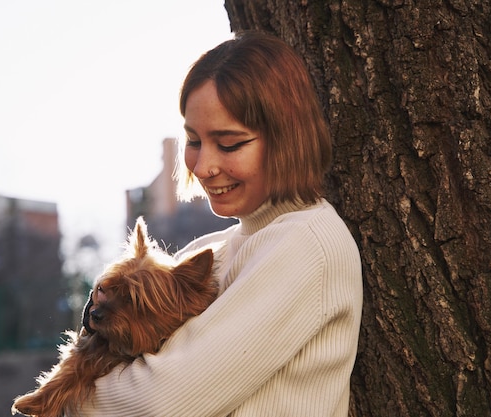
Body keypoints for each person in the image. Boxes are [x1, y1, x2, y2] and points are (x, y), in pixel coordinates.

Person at [79, 31, 363, 417]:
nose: (204, 166)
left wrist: (71, 397)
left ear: (287, 138)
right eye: (193, 141)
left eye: (229, 144)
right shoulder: (213, 249)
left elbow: (157, 402)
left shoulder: (309, 245)